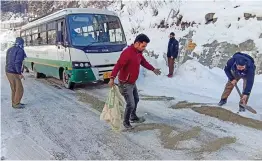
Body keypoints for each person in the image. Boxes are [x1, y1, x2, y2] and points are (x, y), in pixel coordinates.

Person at [108, 34, 161, 129]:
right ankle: (126, 122)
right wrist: (112, 78)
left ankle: (133, 116)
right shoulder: (127, 53)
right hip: (125, 83)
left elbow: (143, 62)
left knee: (136, 99)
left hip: (132, 82)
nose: (144, 48)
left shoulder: (138, 52)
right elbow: (118, 65)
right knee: (130, 103)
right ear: (137, 43)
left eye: (145, 46)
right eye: (143, 46)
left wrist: (153, 69)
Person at [5, 37, 27, 109]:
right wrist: (19, 73)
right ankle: (16, 103)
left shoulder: (10, 49)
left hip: (8, 71)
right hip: (14, 72)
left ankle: (14, 103)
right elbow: (17, 62)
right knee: (19, 88)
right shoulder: (20, 50)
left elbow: (8, 60)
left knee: (14, 88)